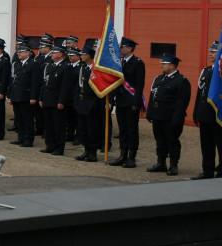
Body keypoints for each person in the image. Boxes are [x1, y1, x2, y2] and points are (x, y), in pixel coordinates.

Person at [145, 53, 191, 175]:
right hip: (158, 115)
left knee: (172, 141)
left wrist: (177, 118)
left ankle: (173, 165)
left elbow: (182, 102)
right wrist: (150, 112)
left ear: (172, 65)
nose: (161, 65)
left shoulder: (181, 81)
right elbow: (153, 96)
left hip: (170, 117)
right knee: (159, 140)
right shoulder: (159, 79)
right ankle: (161, 163)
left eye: (164, 64)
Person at [192, 41, 222, 179]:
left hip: (219, 115)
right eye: (210, 51)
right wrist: (196, 112)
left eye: (213, 52)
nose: (210, 54)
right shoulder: (206, 70)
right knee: (206, 145)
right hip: (204, 114)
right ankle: (207, 171)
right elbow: (200, 93)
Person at [109, 37, 145, 168]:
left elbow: (139, 85)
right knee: (122, 129)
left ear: (129, 48)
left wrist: (136, 103)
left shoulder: (138, 63)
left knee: (132, 129)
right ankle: (122, 155)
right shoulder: (119, 62)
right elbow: (115, 82)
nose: (120, 49)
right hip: (121, 101)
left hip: (131, 101)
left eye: (122, 47)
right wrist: (111, 100)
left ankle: (131, 157)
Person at [73, 43, 104, 162]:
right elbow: (78, 86)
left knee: (92, 129)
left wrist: (96, 103)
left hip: (92, 102)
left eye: (83, 54)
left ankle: (93, 153)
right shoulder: (83, 68)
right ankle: (86, 151)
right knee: (83, 129)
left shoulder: (96, 69)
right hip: (82, 102)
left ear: (89, 56)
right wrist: (76, 101)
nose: (81, 56)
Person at [40, 45, 73, 155]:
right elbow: (44, 83)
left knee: (58, 126)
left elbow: (65, 87)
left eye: (54, 53)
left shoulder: (66, 67)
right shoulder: (50, 65)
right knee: (48, 125)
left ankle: (59, 148)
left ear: (60, 54)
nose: (52, 55)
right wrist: (41, 98)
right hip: (47, 99)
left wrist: (61, 101)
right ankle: (50, 145)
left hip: (57, 100)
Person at [9, 43, 35, 146]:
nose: (18, 53)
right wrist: (10, 95)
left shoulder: (33, 64)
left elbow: (35, 82)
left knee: (27, 119)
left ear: (27, 53)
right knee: (19, 119)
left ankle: (28, 139)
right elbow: (12, 80)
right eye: (18, 52)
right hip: (16, 95)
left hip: (26, 96)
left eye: (21, 52)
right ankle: (21, 137)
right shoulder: (17, 64)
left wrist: (33, 97)